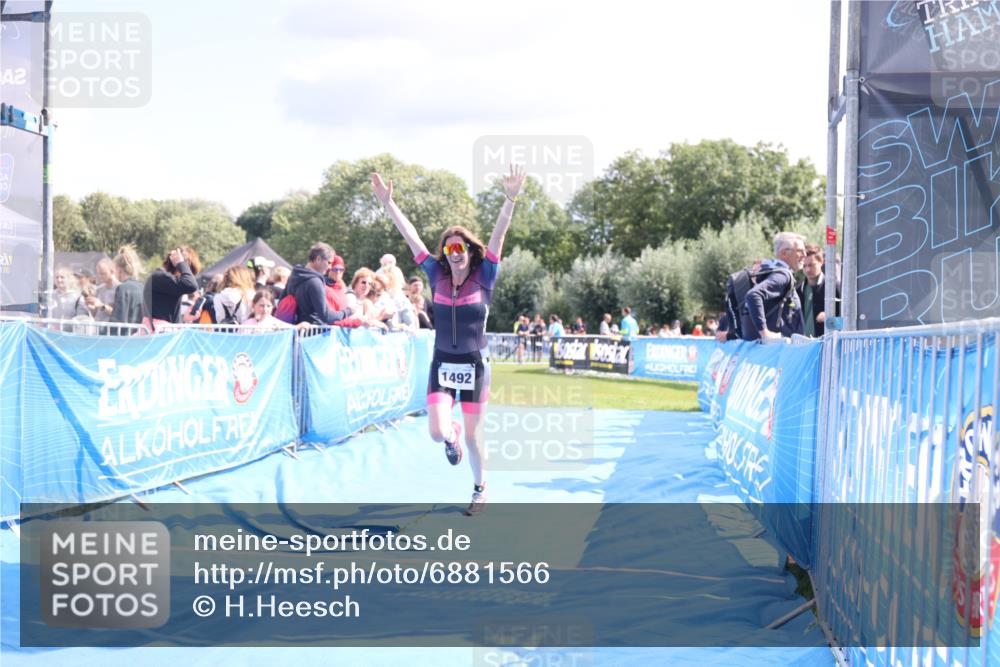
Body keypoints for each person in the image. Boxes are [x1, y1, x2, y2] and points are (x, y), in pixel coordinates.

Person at [373, 164, 525, 516]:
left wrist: (510, 199)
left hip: (475, 365)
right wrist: (388, 204)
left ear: (470, 252)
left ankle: (479, 489)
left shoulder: (484, 276)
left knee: (474, 438)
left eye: (460, 246)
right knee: (438, 433)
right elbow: (411, 237)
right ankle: (451, 436)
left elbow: (499, 236)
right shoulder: (435, 275)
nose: (454, 251)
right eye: (449, 247)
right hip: (442, 363)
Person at [742, 232, 806, 341]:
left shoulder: (770, 272)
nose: (805, 255)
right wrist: (765, 333)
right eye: (800, 251)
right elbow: (753, 295)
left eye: (805, 251)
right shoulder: (783, 274)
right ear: (784, 253)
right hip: (779, 350)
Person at [283, 242, 355, 325]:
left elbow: (282, 301)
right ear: (318, 259)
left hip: (294, 331)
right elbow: (327, 316)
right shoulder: (315, 282)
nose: (330, 267)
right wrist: (348, 311)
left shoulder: (294, 275)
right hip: (313, 334)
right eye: (329, 262)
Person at [145, 246, 201, 329]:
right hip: (157, 337)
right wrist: (181, 263)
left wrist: (184, 318)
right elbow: (191, 285)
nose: (189, 275)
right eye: (187, 272)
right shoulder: (159, 277)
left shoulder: (165, 280)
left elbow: (169, 318)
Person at [797, 245, 839, 337]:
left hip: (827, 346)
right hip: (802, 346)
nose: (808, 269)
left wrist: (829, 319)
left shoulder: (835, 287)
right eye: (804, 266)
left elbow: (848, 323)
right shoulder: (797, 290)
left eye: (811, 265)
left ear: (821, 262)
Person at [109, 244, 145, 334]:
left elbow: (117, 320)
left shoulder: (123, 288)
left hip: (125, 341)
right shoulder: (143, 287)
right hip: (142, 339)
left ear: (119, 269)